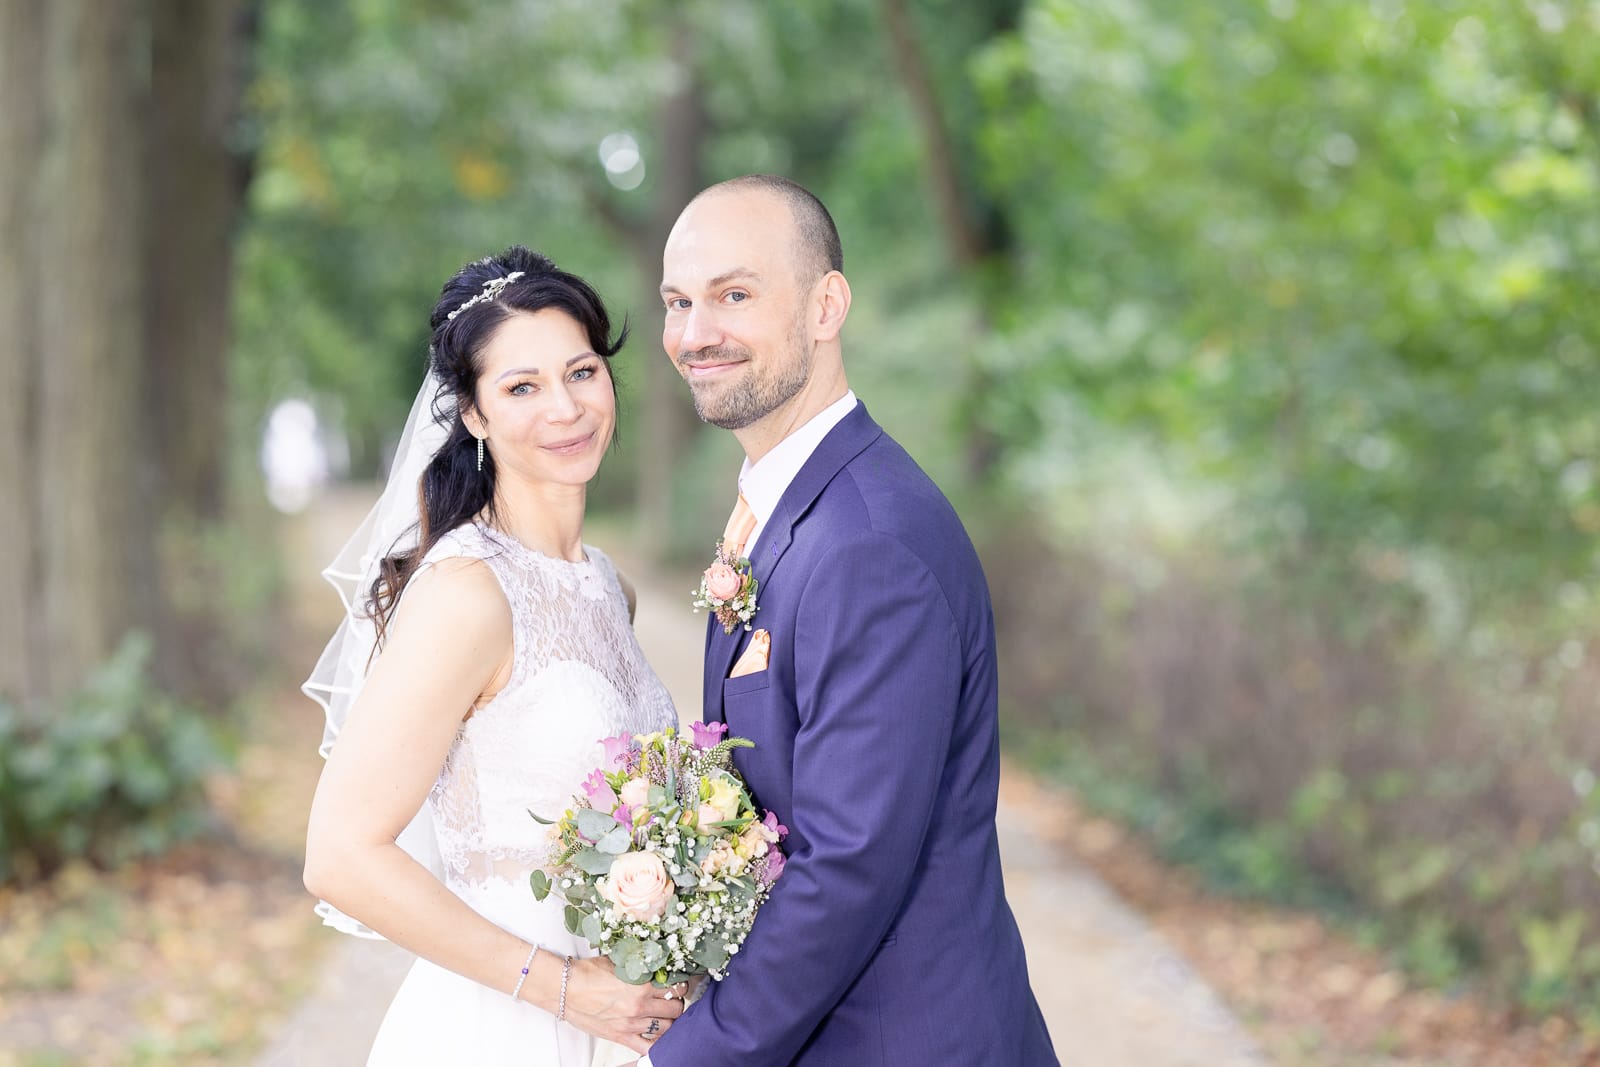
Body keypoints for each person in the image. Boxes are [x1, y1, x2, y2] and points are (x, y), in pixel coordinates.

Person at [635, 176, 1060, 1067]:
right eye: (679, 301)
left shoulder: (869, 543)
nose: (693, 332)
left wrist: (693, 1054)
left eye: (734, 295)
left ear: (827, 304)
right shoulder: (791, 507)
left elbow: (849, 864)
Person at [302, 247, 685, 1065]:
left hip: (618, 1030)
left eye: (581, 372)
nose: (565, 408)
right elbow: (339, 855)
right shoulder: (468, 592)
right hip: (506, 1026)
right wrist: (564, 989)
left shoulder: (606, 586)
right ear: (472, 414)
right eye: (521, 387)